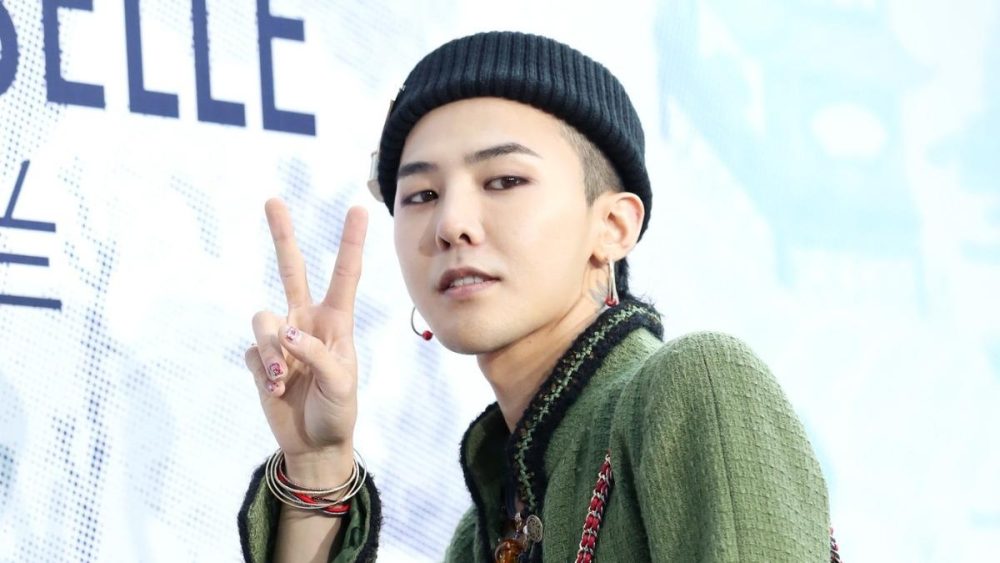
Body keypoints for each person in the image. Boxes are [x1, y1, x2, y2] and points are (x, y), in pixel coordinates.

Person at [237, 31, 835, 562]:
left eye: (504, 181)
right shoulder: (486, 533)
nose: (451, 224)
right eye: (421, 195)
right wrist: (317, 465)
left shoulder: (696, 386)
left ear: (613, 226)